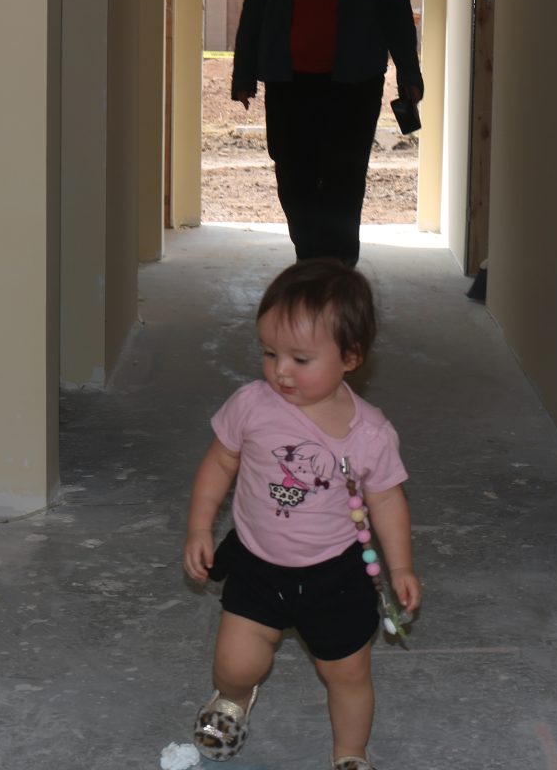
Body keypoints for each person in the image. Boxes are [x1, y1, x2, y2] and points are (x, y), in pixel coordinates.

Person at [182, 259, 422, 770]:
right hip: (256, 562)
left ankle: (350, 753)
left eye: (300, 358)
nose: (280, 370)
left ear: (350, 358)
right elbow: (221, 461)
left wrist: (400, 567)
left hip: (334, 574)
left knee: (348, 675)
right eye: (269, 353)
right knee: (235, 662)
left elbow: (386, 500)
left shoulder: (370, 433)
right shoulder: (251, 404)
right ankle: (233, 697)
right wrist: (200, 526)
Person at [231, 0, 424, 267]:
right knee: (293, 175)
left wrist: (408, 70)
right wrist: (244, 73)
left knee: (344, 177)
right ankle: (309, 259)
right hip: (289, 81)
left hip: (353, 84)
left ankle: (338, 268)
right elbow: (257, 5)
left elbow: (394, 8)